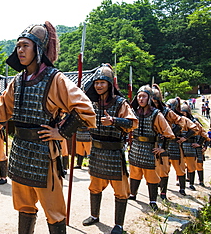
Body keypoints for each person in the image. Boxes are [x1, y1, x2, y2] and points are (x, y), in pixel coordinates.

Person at [0, 21, 96, 233]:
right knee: (24, 208)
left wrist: (61, 132)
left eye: (25, 45)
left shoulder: (55, 79)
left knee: (54, 212)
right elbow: (0, 110)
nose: (20, 50)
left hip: (45, 154)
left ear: (38, 49)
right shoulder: (18, 81)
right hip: (20, 152)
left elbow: (86, 110)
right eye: (18, 46)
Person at [81, 65, 138, 234]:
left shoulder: (121, 103)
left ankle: (119, 225)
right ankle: (94, 215)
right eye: (96, 83)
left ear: (109, 85)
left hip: (114, 152)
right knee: (94, 186)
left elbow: (133, 123)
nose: (99, 86)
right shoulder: (92, 103)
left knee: (121, 191)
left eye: (102, 83)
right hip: (97, 152)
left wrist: (114, 120)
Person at [128, 85, 174, 211]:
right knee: (134, 173)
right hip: (135, 147)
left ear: (149, 98)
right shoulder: (133, 112)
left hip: (149, 149)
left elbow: (168, 133)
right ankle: (133, 194)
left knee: (152, 177)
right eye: (139, 96)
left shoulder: (156, 114)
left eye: (143, 96)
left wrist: (162, 148)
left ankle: (153, 200)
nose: (140, 99)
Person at [152, 86, 199, 199]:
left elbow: (189, 127)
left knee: (179, 168)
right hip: (160, 143)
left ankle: (182, 188)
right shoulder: (153, 112)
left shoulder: (172, 115)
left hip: (174, 143)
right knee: (162, 168)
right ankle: (162, 191)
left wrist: (183, 137)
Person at [180, 102, 209, 189]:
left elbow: (204, 135)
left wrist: (199, 144)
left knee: (192, 166)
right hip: (180, 146)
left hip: (191, 146)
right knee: (181, 166)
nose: (182, 114)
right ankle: (181, 182)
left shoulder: (194, 122)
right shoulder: (178, 121)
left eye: (183, 112)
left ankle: (192, 183)